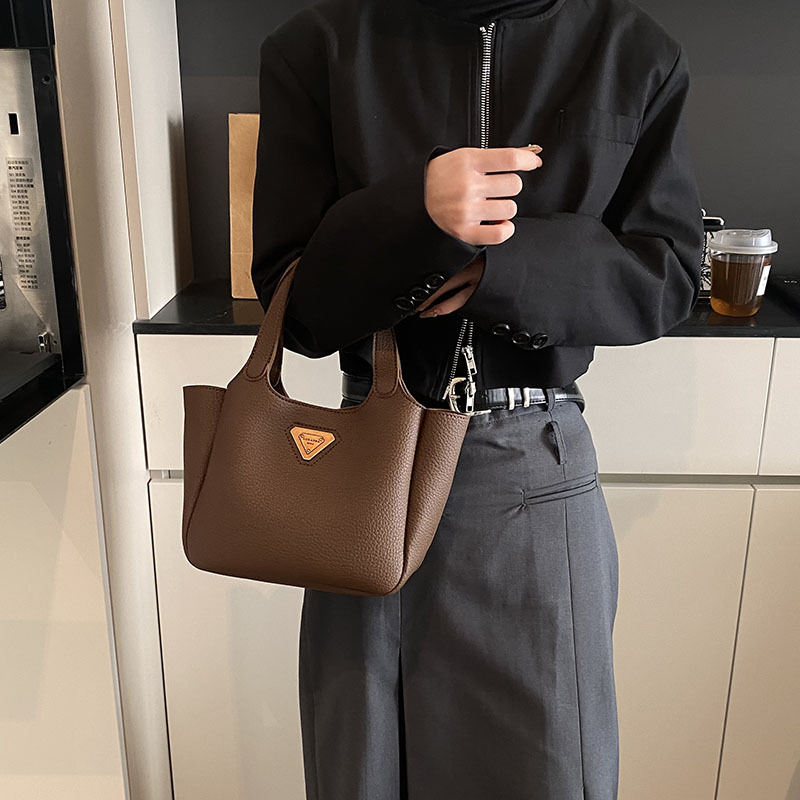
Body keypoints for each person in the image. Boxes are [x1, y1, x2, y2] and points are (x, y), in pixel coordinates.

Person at [251, 0, 705, 796]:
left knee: (548, 767)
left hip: (537, 468)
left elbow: (666, 275)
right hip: (368, 477)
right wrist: (415, 213)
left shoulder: (629, 50)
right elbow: (297, 307)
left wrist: (504, 260)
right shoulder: (319, 46)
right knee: (363, 768)